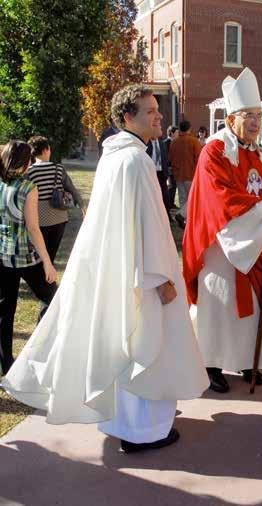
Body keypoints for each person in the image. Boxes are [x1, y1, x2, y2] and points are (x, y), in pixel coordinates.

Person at [2, 85, 208, 453]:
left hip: (118, 269)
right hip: (142, 273)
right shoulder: (135, 161)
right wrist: (161, 277)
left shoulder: (115, 156)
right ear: (128, 117)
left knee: (121, 344)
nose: (159, 116)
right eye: (150, 111)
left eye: (157, 109)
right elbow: (147, 225)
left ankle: (122, 421)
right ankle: (143, 430)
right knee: (144, 346)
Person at [183, 68, 262, 393]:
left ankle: (246, 360)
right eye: (248, 115)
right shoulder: (214, 151)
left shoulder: (258, 154)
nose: (255, 122)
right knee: (219, 304)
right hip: (220, 243)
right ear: (231, 119)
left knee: (249, 307)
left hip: (252, 242)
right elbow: (220, 197)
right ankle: (210, 364)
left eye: (259, 115)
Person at [0, 141, 57, 375]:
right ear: (26, 163)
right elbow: (33, 228)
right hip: (25, 256)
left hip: (3, 254)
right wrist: (48, 262)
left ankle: (6, 366)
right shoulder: (27, 187)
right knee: (56, 299)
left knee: (5, 312)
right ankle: (50, 352)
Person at [27, 136, 85, 264]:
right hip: (59, 217)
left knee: (40, 254)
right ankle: (49, 271)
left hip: (38, 218)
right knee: (51, 253)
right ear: (46, 150)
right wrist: (82, 205)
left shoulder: (29, 172)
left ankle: (43, 272)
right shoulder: (58, 169)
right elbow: (71, 188)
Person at [168, 120, 202, 229]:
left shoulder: (174, 142)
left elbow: (170, 158)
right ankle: (184, 216)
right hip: (191, 174)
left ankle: (184, 219)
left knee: (183, 198)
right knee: (193, 197)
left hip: (178, 174)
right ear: (189, 129)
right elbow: (199, 159)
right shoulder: (194, 141)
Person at [146, 135, 171, 219]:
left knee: (165, 195)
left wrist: (166, 172)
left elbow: (165, 156)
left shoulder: (161, 142)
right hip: (151, 172)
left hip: (161, 173)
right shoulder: (146, 142)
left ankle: (167, 215)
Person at [163, 126, 179, 209]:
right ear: (172, 133)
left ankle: (171, 203)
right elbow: (165, 156)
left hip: (175, 168)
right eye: (176, 132)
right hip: (169, 168)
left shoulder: (176, 142)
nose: (178, 134)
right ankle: (169, 204)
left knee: (173, 186)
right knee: (171, 186)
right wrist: (168, 166)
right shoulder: (166, 143)